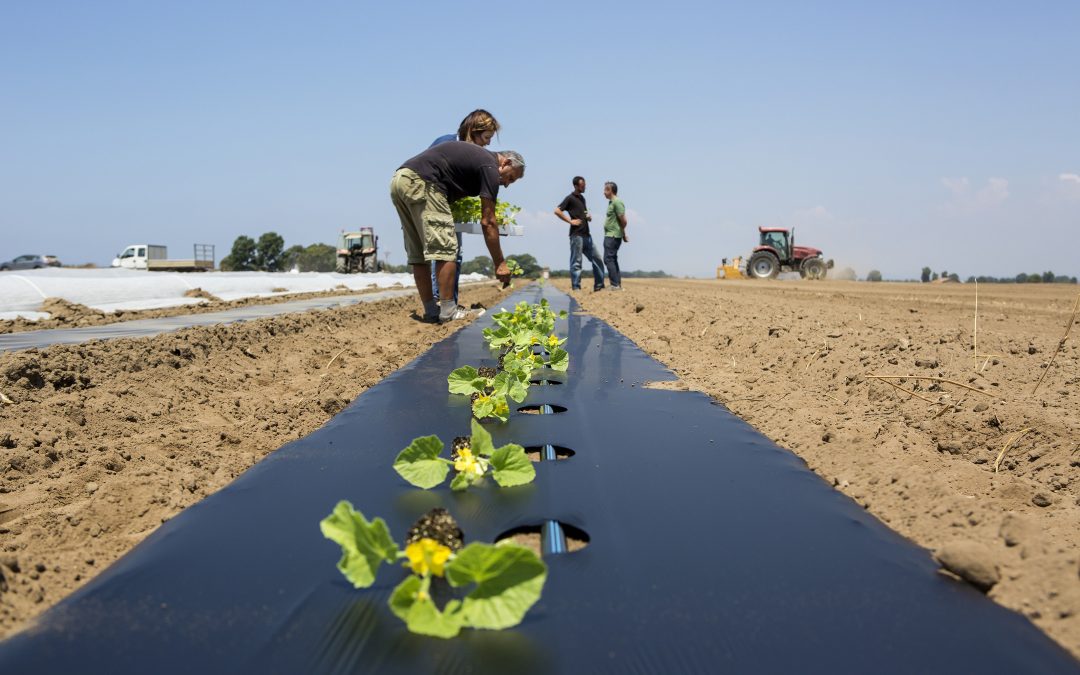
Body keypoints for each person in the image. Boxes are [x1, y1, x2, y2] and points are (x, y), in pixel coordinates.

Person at [391, 142, 524, 322]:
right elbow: (488, 221)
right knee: (447, 251)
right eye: (510, 178)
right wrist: (500, 263)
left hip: (401, 180)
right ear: (506, 163)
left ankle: (432, 311)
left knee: (419, 254)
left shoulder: (480, 160)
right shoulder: (490, 167)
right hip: (425, 183)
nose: (507, 184)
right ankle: (449, 311)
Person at [429, 110, 501, 307]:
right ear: (472, 131)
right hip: (436, 203)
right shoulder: (446, 142)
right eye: (486, 137)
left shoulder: (477, 155)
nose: (488, 143)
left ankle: (450, 302)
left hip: (452, 205)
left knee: (455, 254)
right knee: (442, 252)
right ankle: (438, 300)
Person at [554, 176, 605, 291]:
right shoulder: (569, 198)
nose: (584, 187)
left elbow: (585, 213)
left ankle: (599, 285)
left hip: (587, 235)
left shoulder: (582, 198)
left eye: (585, 185)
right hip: (576, 235)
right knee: (577, 262)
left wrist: (589, 217)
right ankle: (576, 287)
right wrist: (570, 221)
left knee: (597, 258)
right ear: (576, 186)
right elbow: (557, 211)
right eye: (582, 185)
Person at [602, 181, 628, 290]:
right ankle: (617, 284)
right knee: (612, 259)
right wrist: (624, 234)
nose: (603, 192)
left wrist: (623, 234)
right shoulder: (611, 203)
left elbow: (623, 221)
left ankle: (615, 285)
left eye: (605, 190)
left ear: (610, 190)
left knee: (608, 259)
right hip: (611, 235)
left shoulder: (617, 202)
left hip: (612, 236)